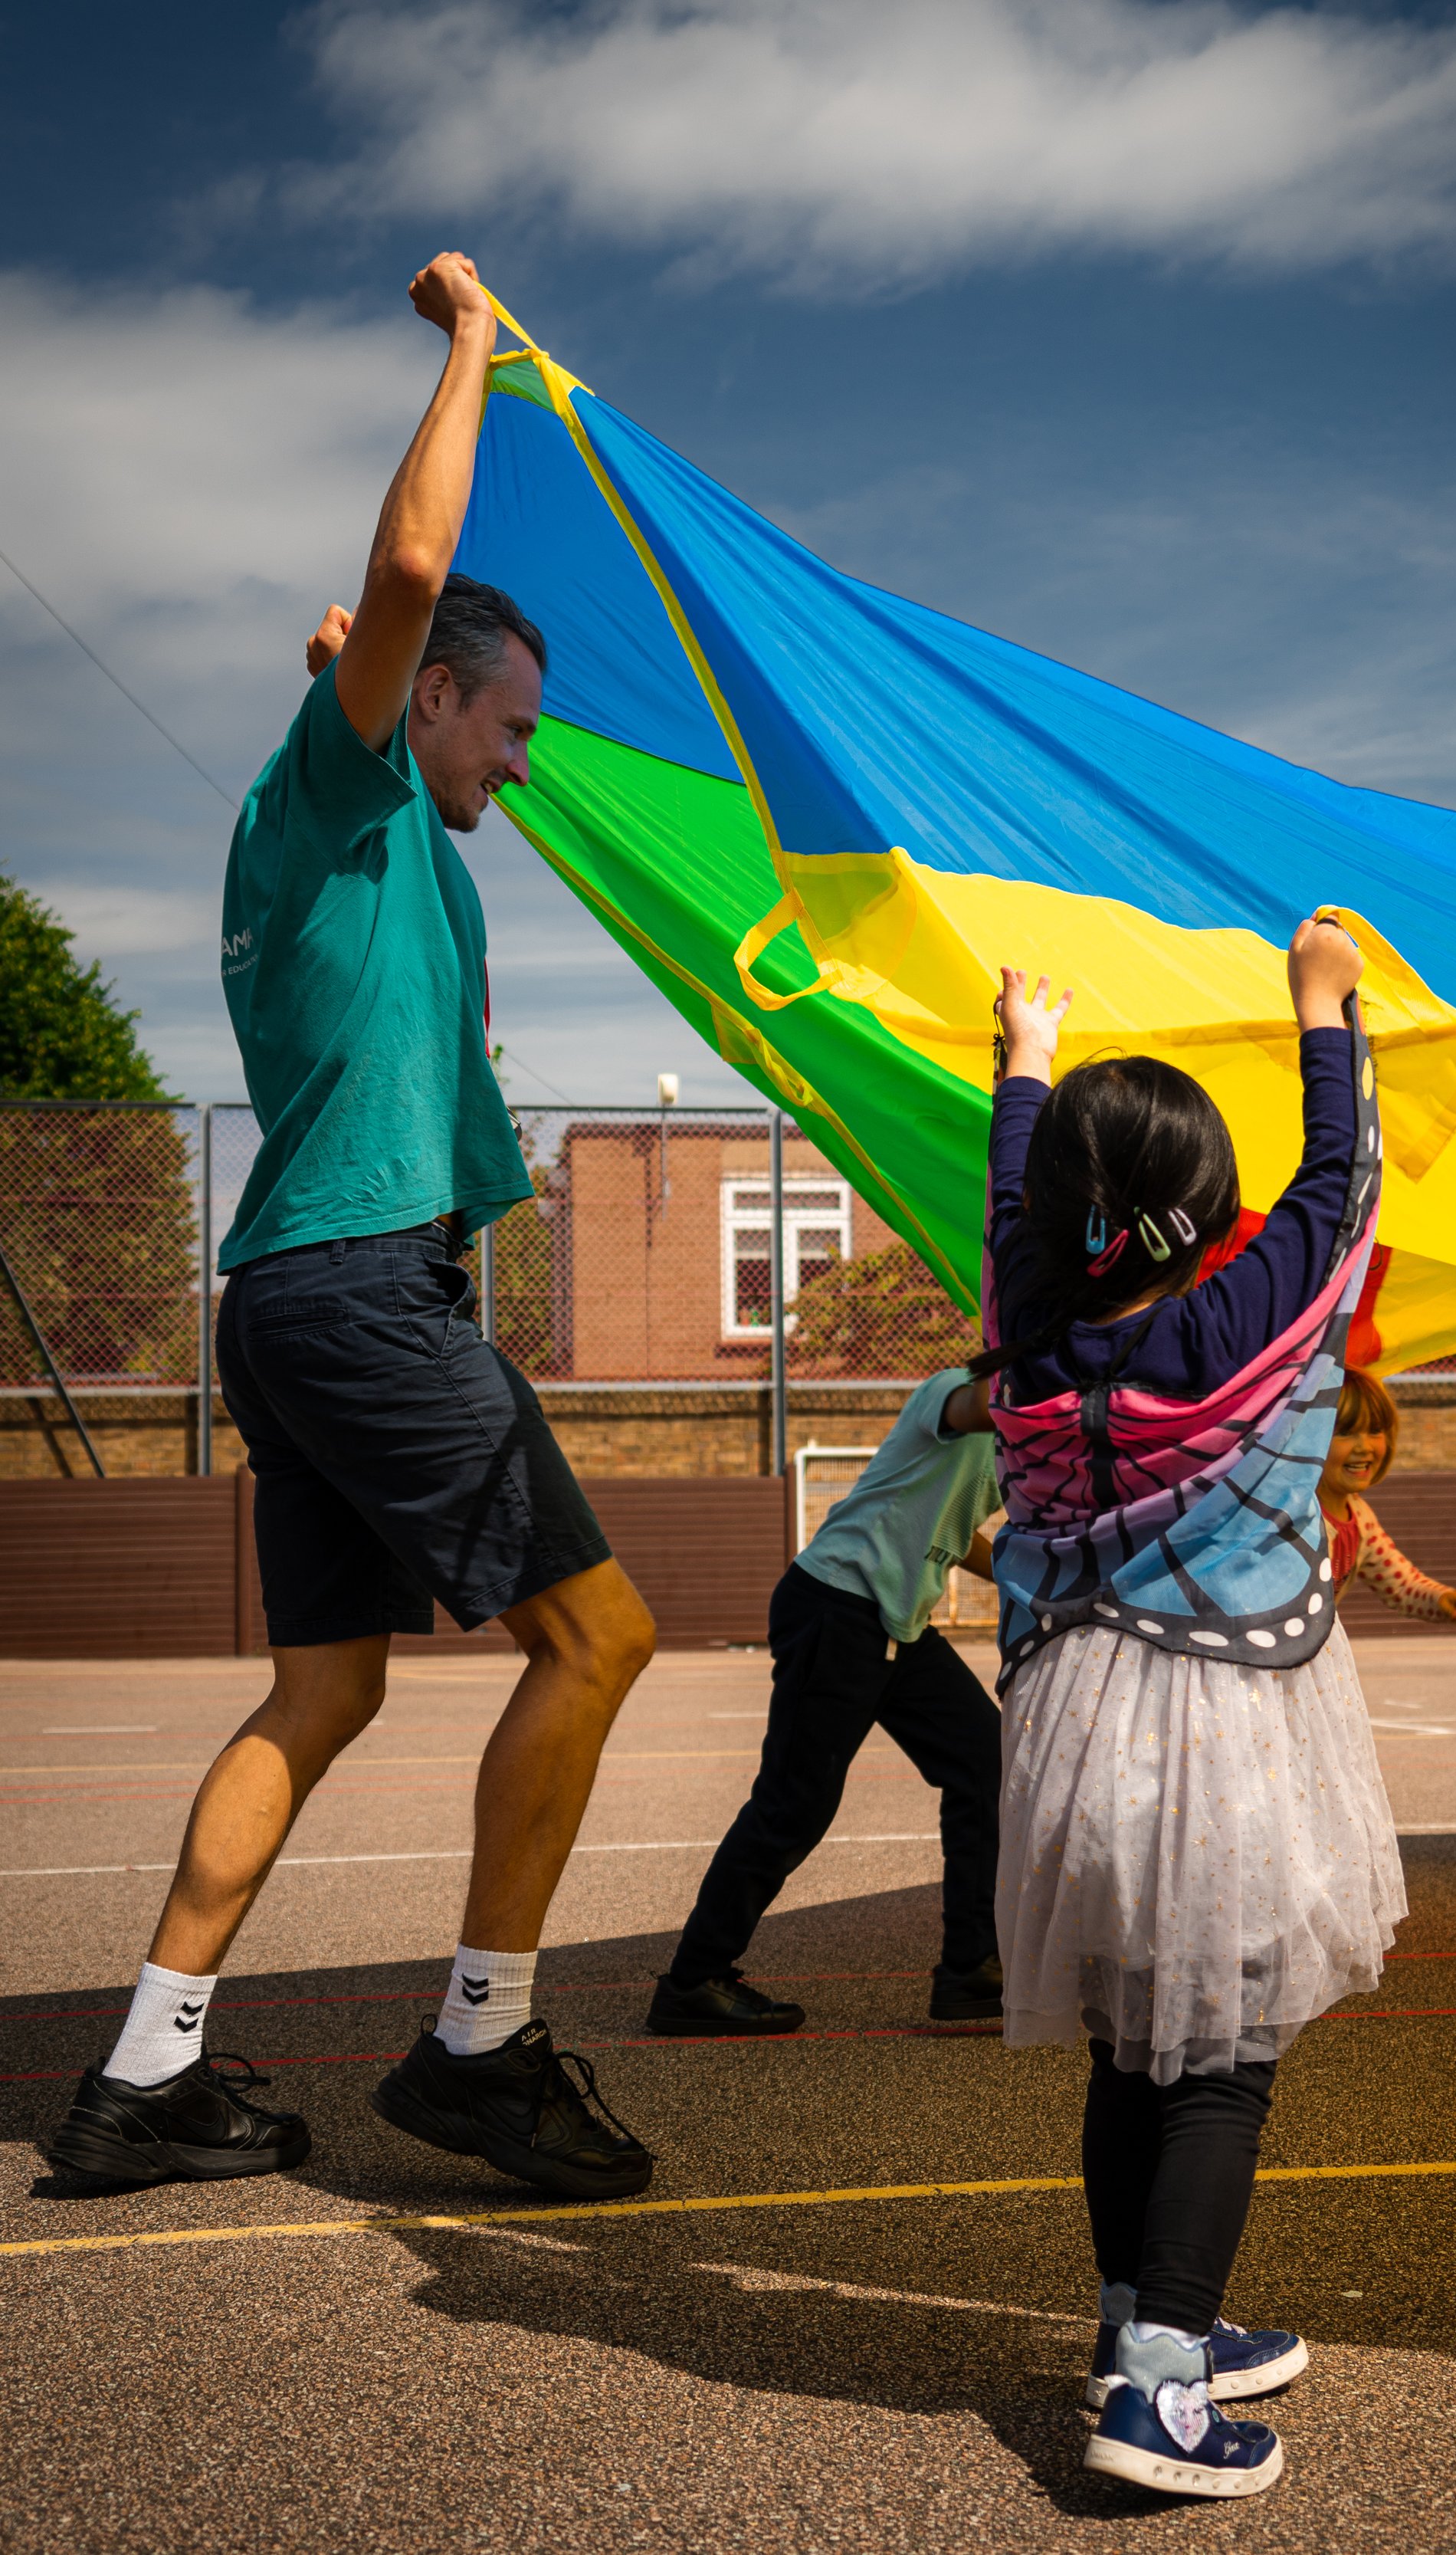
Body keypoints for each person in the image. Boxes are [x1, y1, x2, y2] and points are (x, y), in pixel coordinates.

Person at [48, 254, 658, 2200]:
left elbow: (375, 658)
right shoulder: (331, 787)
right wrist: (475, 345)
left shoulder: (357, 809)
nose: (525, 757)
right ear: (436, 696)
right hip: (363, 1291)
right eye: (515, 724)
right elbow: (405, 583)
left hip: (287, 1299)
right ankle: (483, 2043)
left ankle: (144, 2073)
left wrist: (346, 676)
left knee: (329, 1684)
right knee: (601, 1635)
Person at [982, 920, 1404, 2500]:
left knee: (1130, 2046)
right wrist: (1320, 1010)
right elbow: (1338, 1193)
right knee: (1218, 2051)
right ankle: (1158, 2391)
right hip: (1217, 1725)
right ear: (1205, 1208)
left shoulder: (1031, 1330)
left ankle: (1143, 2325)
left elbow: (1015, 1207)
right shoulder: (1231, 1335)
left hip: (1070, 1723)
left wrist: (1021, 1057)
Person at [648, 1368, 1005, 2034]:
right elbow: (987, 1402)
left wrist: (1020, 1572)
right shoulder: (956, 1391)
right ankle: (693, 1980)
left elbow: (954, 1530)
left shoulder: (1018, 1440)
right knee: (794, 1804)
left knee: (987, 1761)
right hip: (838, 1606)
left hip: (896, 1623)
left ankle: (970, 1968)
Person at [1322, 1369, 1456, 1625]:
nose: (1364, 1447)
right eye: (1346, 1433)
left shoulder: (1359, 1516)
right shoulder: (1295, 1516)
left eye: (1375, 1430)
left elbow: (1402, 1583)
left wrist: (1441, 1598)